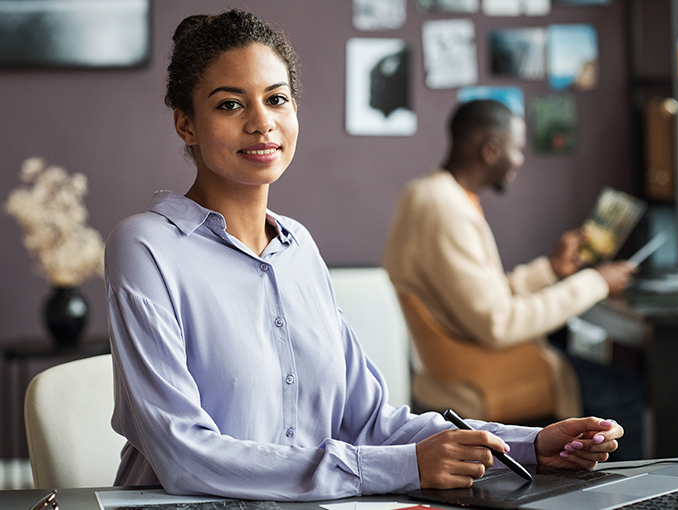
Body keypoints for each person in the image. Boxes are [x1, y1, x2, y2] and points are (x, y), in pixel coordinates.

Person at [104, 10, 625, 501]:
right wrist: (398, 467)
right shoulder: (145, 248)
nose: (262, 123)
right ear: (186, 124)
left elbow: (374, 422)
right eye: (229, 104)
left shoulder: (299, 249)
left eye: (277, 99)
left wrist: (532, 445)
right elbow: (184, 456)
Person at [382, 99, 644, 458]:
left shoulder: (431, 194)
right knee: (628, 392)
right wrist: (596, 282)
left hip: (466, 365)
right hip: (484, 376)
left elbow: (481, 298)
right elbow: (498, 323)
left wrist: (551, 270)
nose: (520, 160)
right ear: (491, 150)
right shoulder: (445, 209)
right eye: (517, 149)